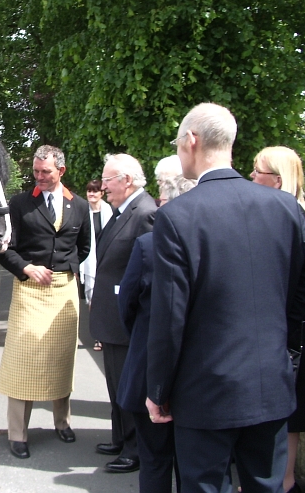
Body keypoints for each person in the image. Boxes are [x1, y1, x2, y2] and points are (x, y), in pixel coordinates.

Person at [147, 104, 305, 493]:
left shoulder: (177, 217)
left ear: (191, 140)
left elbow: (169, 317)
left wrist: (157, 390)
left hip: (203, 390)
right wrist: (284, 327)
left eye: (178, 143)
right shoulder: (284, 206)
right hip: (271, 382)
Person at [0, 145, 91, 459]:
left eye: (45, 172)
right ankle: (17, 434)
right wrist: (26, 267)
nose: (39, 177)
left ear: (61, 171)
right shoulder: (20, 204)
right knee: (24, 362)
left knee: (62, 360)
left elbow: (84, 247)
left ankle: (62, 423)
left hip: (64, 291)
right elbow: (3, 247)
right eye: (36, 172)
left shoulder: (80, 206)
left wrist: (65, 270)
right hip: (29, 290)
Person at [116, 171, 196, 493]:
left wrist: (141, 335)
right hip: (197, 376)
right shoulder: (208, 242)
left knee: (154, 461)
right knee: (193, 466)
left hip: (150, 367)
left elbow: (128, 301)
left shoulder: (148, 246)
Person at [251, 146, 305, 493]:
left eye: (257, 171)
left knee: (285, 417)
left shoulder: (291, 214)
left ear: (277, 180)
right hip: (286, 333)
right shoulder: (282, 211)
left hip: (291, 337)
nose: (251, 177)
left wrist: (283, 317)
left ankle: (285, 482)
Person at [90, 153, 157, 473]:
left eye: (107, 181)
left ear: (126, 180)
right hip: (111, 318)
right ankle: (120, 437)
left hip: (125, 320)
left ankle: (134, 449)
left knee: (129, 386)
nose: (103, 187)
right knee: (116, 384)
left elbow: (147, 271)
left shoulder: (144, 213)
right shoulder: (121, 212)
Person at [79, 179, 113, 352]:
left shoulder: (109, 212)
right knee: (93, 301)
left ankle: (105, 334)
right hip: (89, 263)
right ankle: (98, 336)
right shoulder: (83, 212)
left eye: (95, 191)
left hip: (106, 261)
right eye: (89, 191)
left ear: (102, 193)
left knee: (105, 300)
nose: (91, 194)